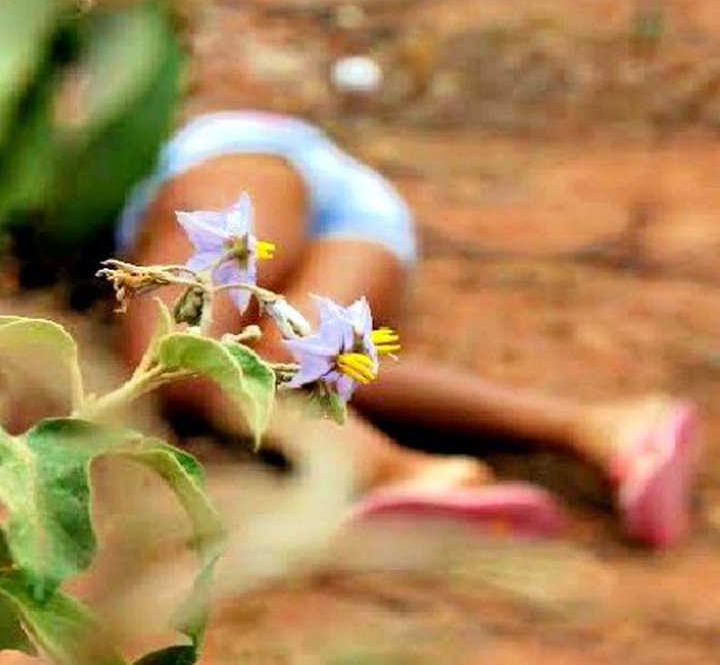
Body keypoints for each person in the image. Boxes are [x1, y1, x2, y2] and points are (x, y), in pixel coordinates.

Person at [111, 109, 700, 549]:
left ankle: (390, 471)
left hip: (229, 157)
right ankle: (605, 427)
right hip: (359, 213)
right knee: (301, 354)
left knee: (178, 356)